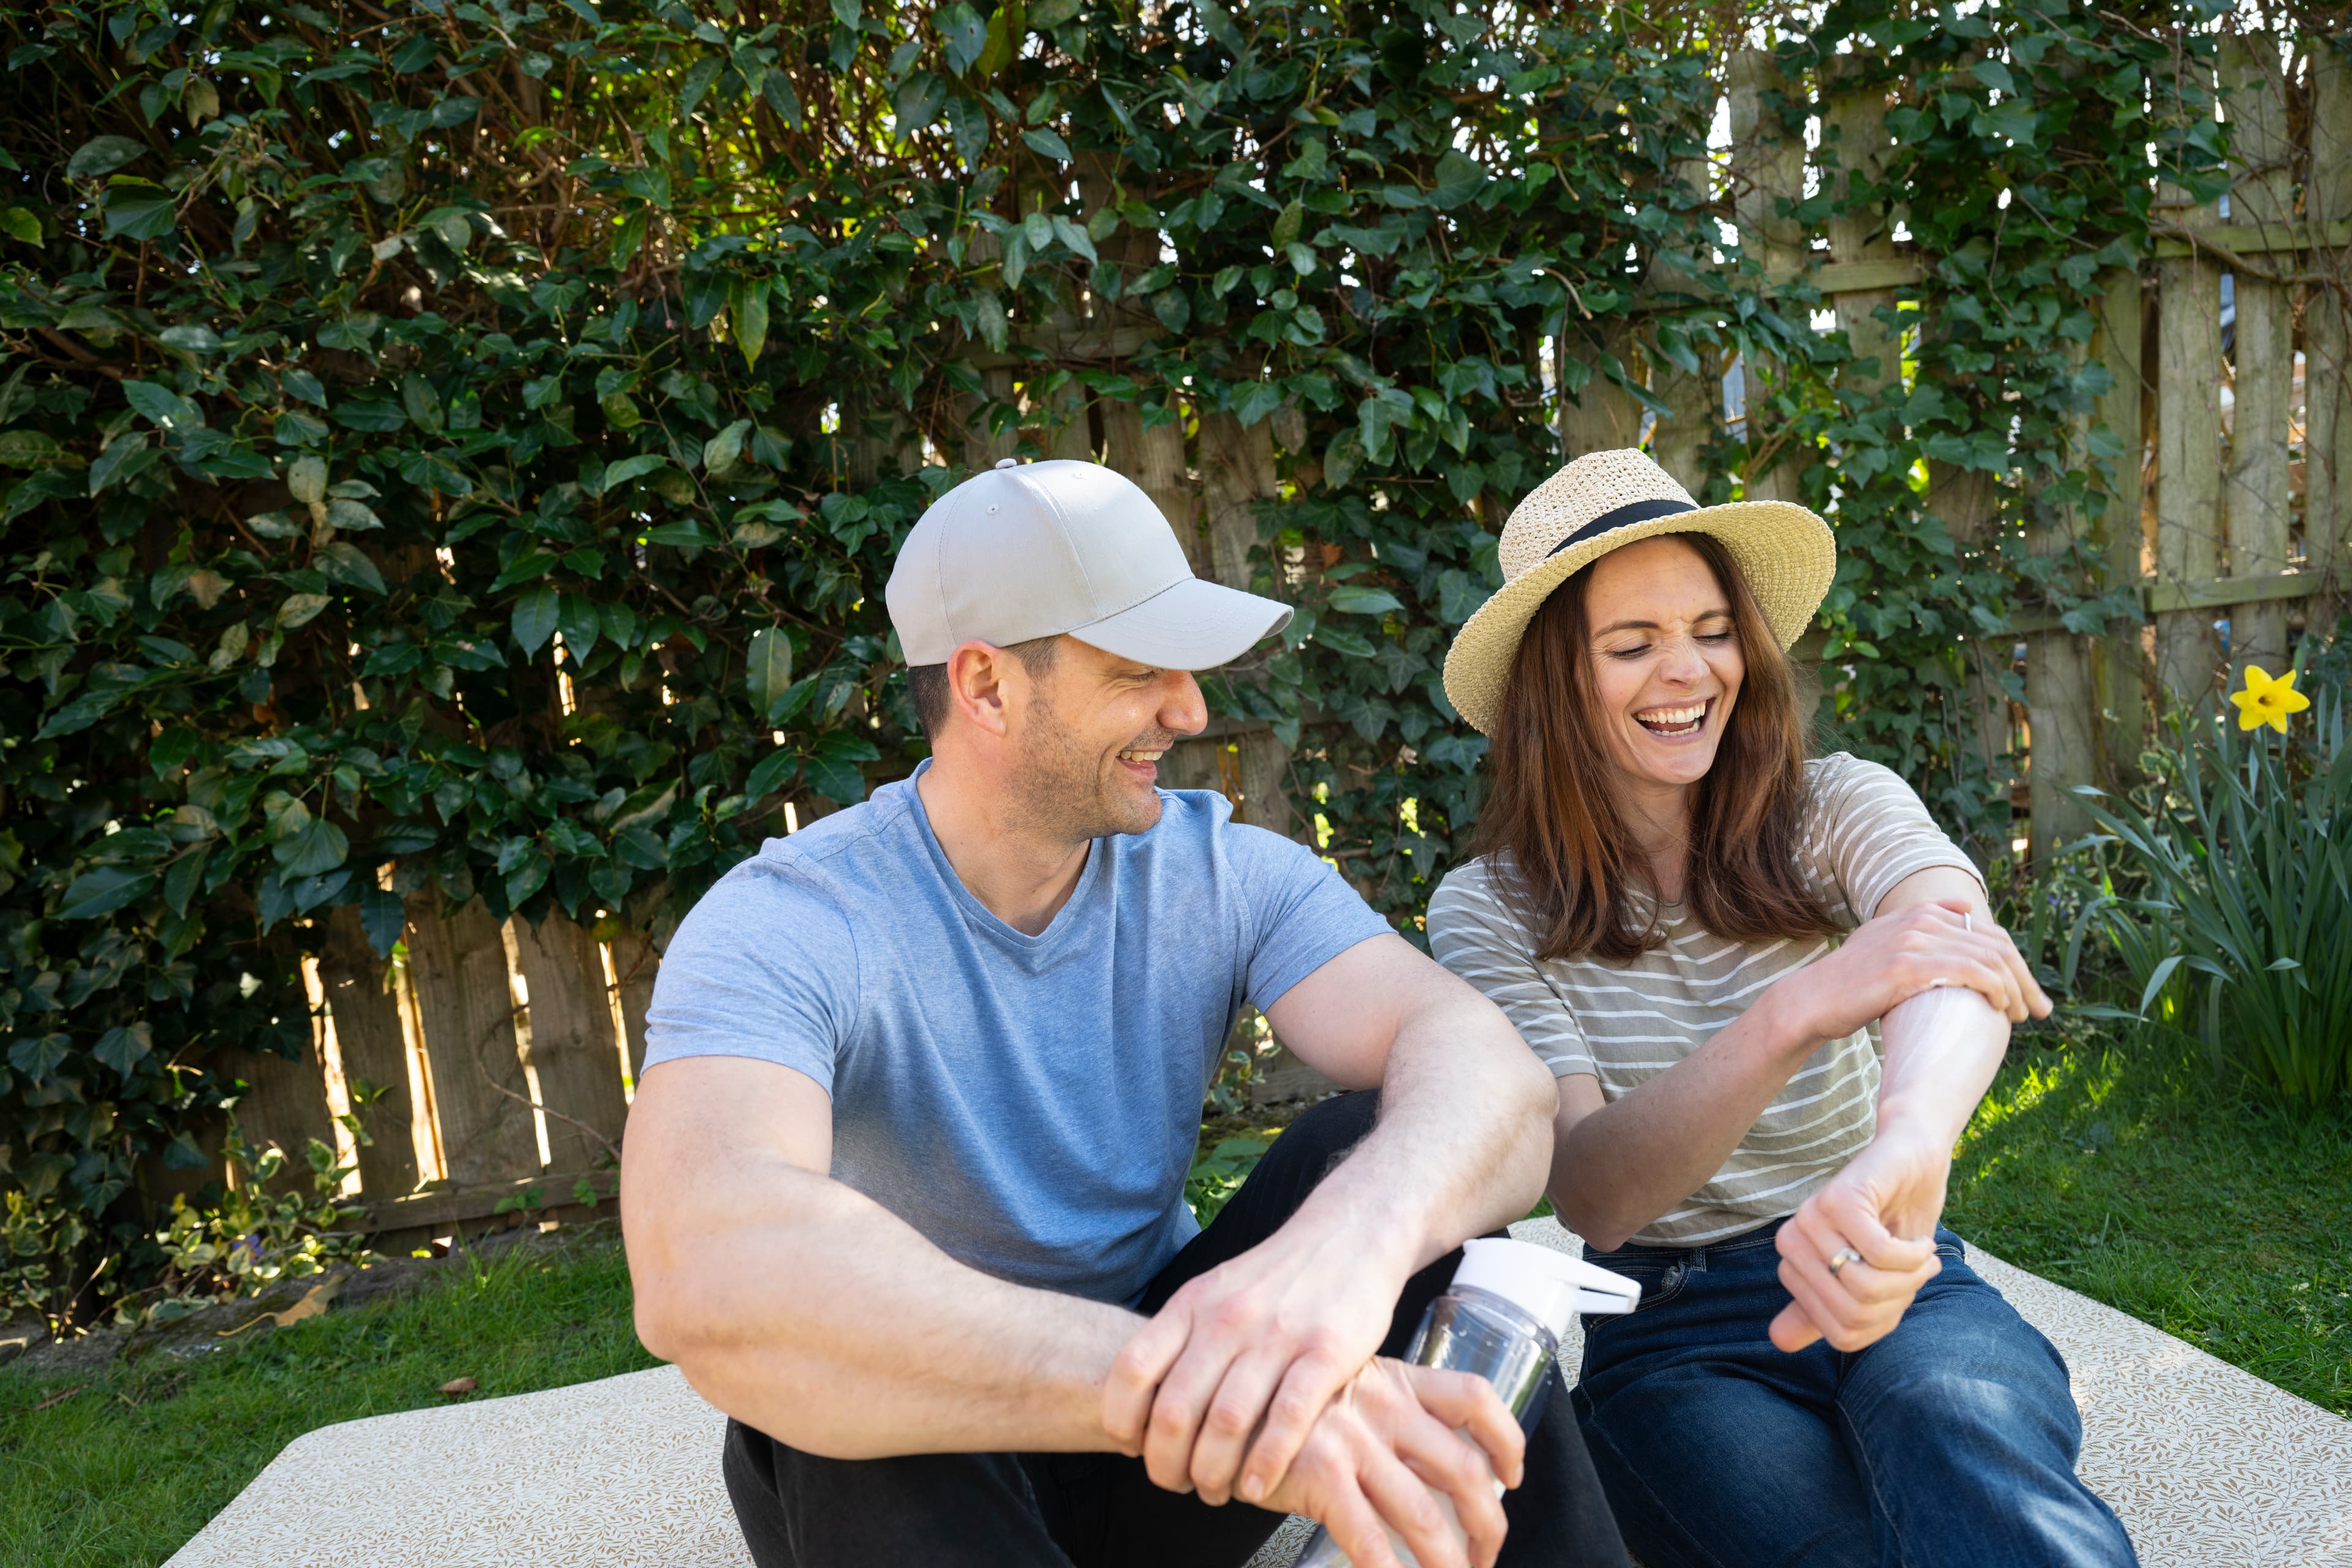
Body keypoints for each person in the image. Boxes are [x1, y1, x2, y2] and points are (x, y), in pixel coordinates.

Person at [621, 458, 1630, 1568]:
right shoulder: (793, 920)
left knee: (1378, 1149)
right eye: (1141, 671)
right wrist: (1175, 1390)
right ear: (988, 687)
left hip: (1156, 1456)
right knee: (842, 1344)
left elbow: (1496, 1078)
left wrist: (1345, 1256)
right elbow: (704, 1265)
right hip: (920, 1473)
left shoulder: (1221, 872)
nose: (1190, 710)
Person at [1425, 448, 2139, 1568]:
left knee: (1968, 1439)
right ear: (1553, 683)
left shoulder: (1835, 801)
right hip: (1673, 1328)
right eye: (1632, 645)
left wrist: (1905, 1149)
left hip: (1892, 1256)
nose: (1689, 672)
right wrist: (1797, 1008)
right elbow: (1597, 1194)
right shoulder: (1486, 911)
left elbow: (1953, 954)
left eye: (1712, 629)